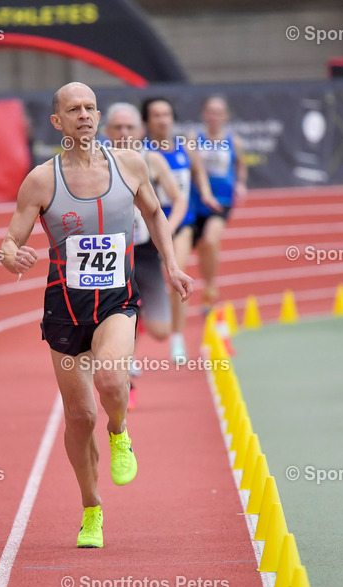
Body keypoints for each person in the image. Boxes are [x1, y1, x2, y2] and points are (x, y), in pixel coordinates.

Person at [0, 82, 193, 548]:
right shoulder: (41, 180)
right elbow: (10, 241)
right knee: (80, 416)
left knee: (110, 377)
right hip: (65, 307)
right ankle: (91, 509)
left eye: (90, 108)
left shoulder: (130, 164)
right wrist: (11, 256)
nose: (84, 115)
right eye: (74, 109)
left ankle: (120, 431)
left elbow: (155, 214)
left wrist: (170, 264)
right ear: (57, 121)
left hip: (116, 299)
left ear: (99, 116)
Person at [102, 102, 188, 409]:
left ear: (140, 130)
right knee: (114, 318)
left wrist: (167, 229)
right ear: (107, 131)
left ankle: (133, 323)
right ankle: (126, 378)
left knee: (160, 330)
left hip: (146, 251)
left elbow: (178, 199)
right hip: (111, 253)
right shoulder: (97, 160)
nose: (124, 133)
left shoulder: (152, 160)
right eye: (118, 127)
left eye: (130, 127)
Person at [141, 96, 220, 363]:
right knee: (136, 283)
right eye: (156, 115)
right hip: (148, 227)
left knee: (176, 273)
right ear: (147, 121)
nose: (162, 120)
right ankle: (132, 348)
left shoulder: (185, 149)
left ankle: (177, 337)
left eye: (166, 114)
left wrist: (206, 193)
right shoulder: (142, 154)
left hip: (181, 224)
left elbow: (198, 173)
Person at [189, 95, 247, 314]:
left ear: (226, 116)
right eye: (211, 112)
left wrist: (240, 183)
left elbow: (241, 164)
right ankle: (207, 283)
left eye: (218, 112)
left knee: (210, 240)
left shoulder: (234, 141)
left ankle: (209, 287)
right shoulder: (194, 138)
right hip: (196, 202)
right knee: (201, 246)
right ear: (205, 114)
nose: (214, 116)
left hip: (222, 201)